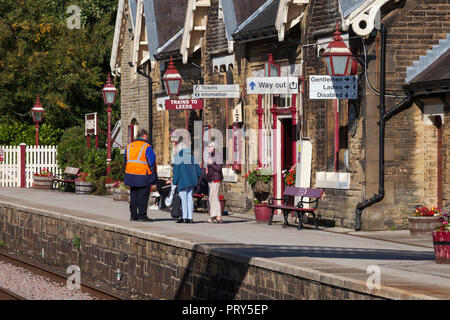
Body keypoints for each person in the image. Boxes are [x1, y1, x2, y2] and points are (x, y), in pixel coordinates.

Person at [124, 129, 157, 222]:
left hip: (130, 175)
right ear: (144, 136)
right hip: (143, 175)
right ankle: (142, 216)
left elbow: (125, 160)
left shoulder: (129, 146)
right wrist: (154, 177)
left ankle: (133, 216)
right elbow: (152, 162)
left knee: (133, 196)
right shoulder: (147, 147)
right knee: (143, 196)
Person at [172, 145, 201, 223]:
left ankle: (184, 217)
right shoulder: (192, 157)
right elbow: (199, 171)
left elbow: (176, 172)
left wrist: (174, 183)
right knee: (189, 198)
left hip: (183, 181)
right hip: (192, 181)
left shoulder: (178, 157)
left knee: (183, 199)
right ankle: (190, 218)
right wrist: (195, 178)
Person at [205, 142, 224, 223]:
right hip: (211, 179)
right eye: (207, 147)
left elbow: (219, 168)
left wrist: (211, 164)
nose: (207, 148)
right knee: (211, 198)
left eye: (209, 147)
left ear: (213, 147)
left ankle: (218, 216)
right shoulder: (212, 155)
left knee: (214, 198)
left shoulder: (218, 155)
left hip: (216, 179)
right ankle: (214, 216)